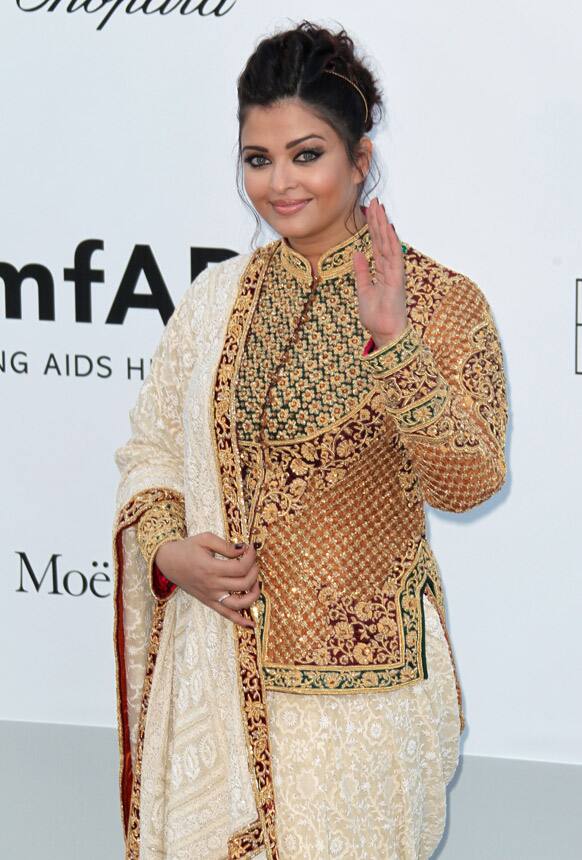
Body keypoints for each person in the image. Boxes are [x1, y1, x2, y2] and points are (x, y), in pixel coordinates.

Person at [112, 20, 508, 860]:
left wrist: (395, 346)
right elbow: (150, 450)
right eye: (258, 159)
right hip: (217, 677)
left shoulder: (444, 303)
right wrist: (165, 551)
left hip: (363, 705)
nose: (281, 183)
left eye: (307, 154)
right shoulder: (218, 300)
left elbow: (470, 481)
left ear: (361, 159)